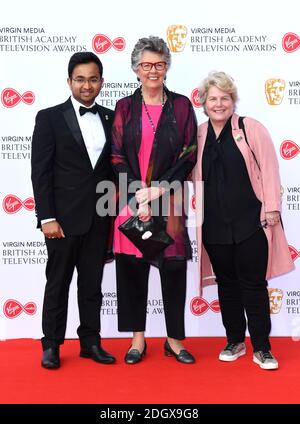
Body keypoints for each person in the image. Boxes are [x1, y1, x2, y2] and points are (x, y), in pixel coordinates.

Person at [193, 71, 294, 370]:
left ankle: (262, 348)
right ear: (203, 102)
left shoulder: (250, 128)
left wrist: (272, 208)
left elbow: (270, 169)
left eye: (224, 98)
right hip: (213, 225)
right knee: (226, 285)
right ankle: (235, 340)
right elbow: (185, 171)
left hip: (252, 223)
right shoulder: (198, 135)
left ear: (233, 101)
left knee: (253, 285)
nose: (219, 104)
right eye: (213, 98)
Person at [111, 36, 197, 364]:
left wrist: (160, 188)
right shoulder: (124, 107)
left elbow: (189, 152)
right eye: (146, 65)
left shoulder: (181, 105)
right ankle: (137, 341)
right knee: (132, 268)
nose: (153, 70)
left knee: (173, 267)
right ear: (136, 69)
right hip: (131, 199)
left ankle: (174, 340)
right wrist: (138, 193)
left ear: (167, 67)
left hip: (169, 197)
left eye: (159, 64)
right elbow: (116, 154)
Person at [31, 52, 116, 369]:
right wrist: (46, 217)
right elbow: (40, 172)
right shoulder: (49, 117)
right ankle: (51, 344)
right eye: (80, 79)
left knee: (92, 284)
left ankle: (90, 342)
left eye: (93, 79)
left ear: (101, 82)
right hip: (62, 220)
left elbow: (113, 170)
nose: (87, 85)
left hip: (99, 217)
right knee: (58, 283)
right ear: (69, 81)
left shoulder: (111, 118)